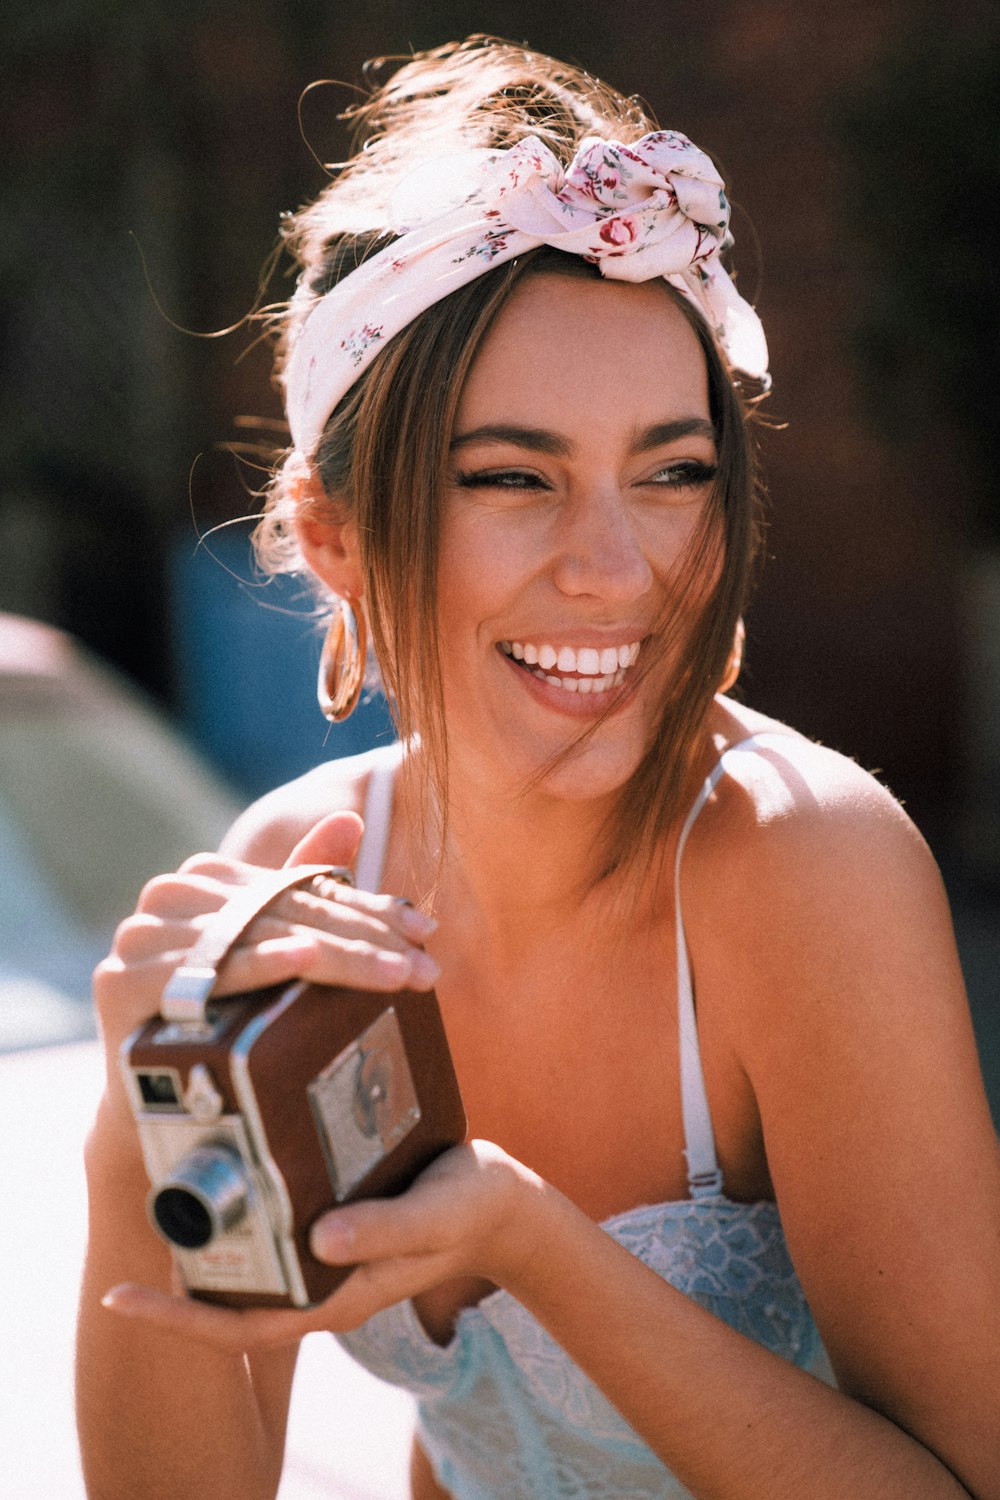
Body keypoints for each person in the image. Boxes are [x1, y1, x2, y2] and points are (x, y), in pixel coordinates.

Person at [76, 36, 999, 1500]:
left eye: (674, 470)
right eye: (513, 477)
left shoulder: (803, 864)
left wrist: (534, 1246)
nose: (618, 567)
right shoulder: (291, 879)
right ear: (336, 538)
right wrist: (141, 1147)